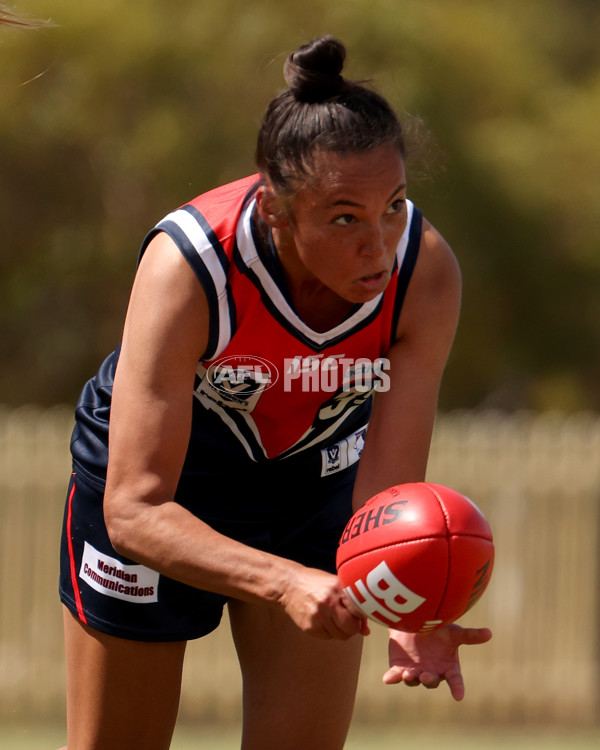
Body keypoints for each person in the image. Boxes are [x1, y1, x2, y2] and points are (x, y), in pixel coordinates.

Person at [58, 35, 491, 750]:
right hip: (166, 487)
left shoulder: (424, 273)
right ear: (275, 211)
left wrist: (413, 608)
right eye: (345, 216)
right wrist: (284, 583)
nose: (379, 246)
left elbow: (383, 499)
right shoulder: (189, 267)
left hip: (312, 487)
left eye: (394, 206)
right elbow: (135, 509)